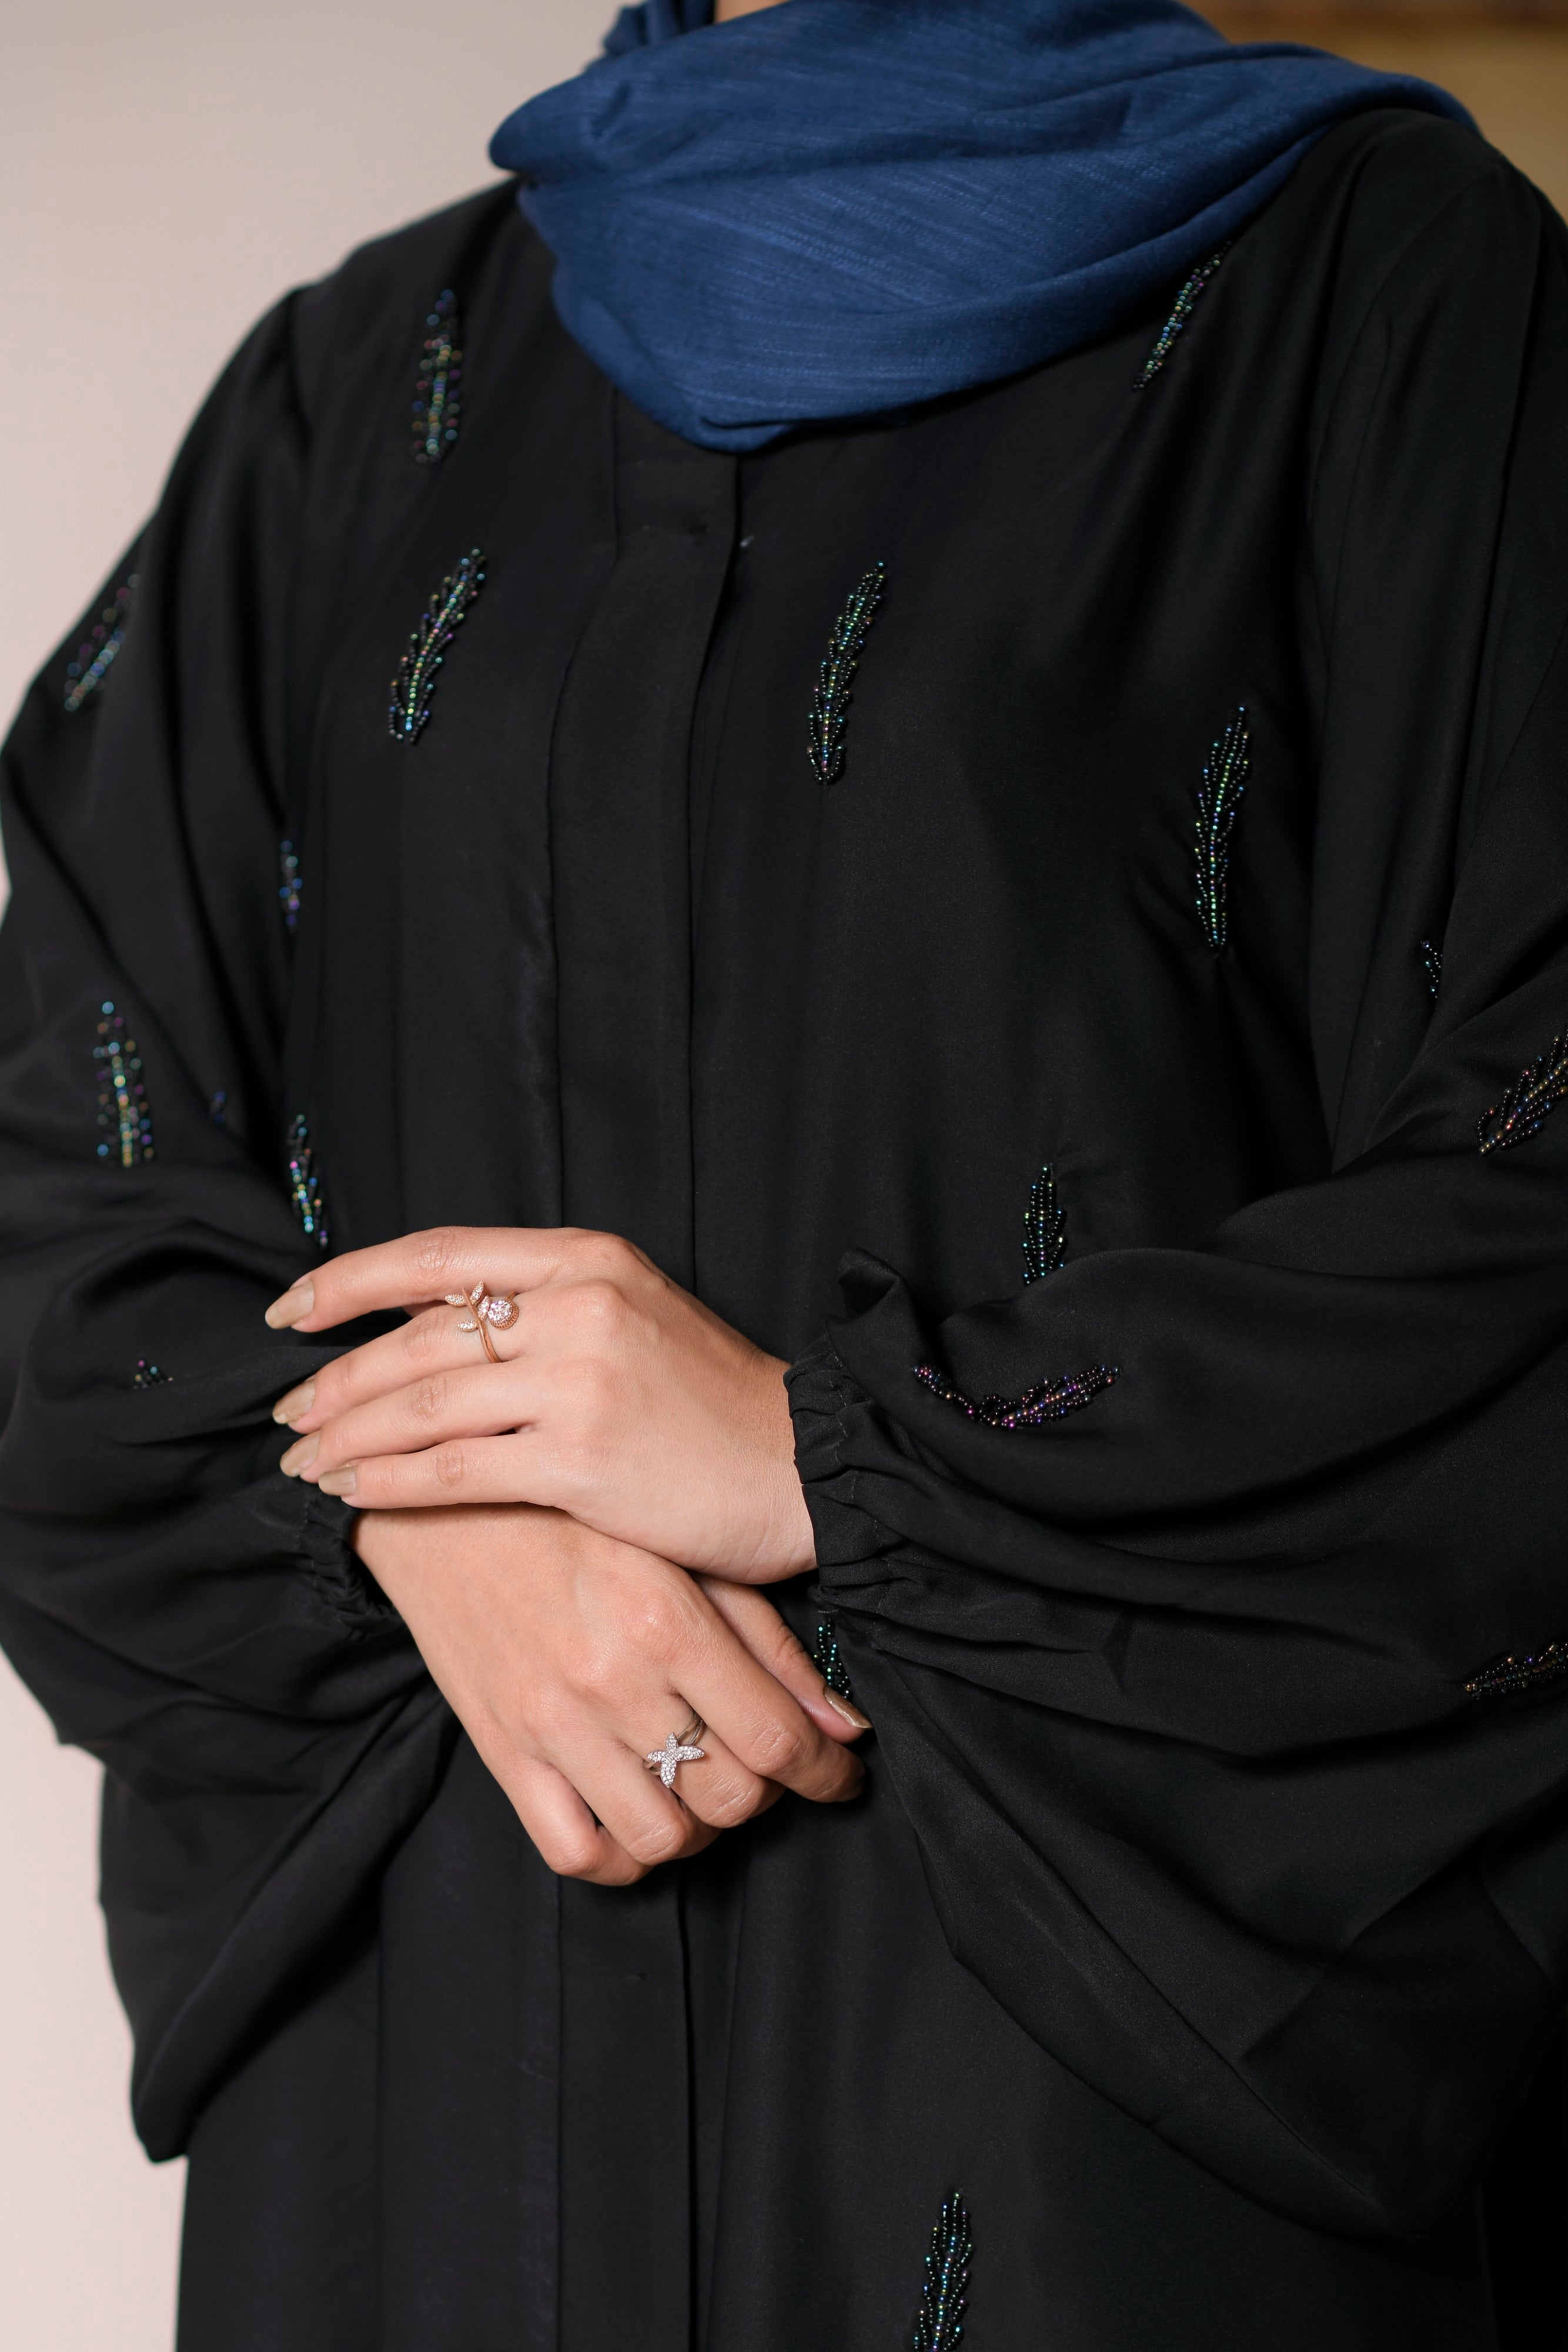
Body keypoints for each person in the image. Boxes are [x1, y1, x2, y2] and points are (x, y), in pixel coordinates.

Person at [3, 0, 1568, 2343]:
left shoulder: (1388, 293)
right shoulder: (377, 376)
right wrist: (411, 1507)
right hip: (444, 2030)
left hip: (1070, 2059)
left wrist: (832, 1453)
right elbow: (66, 1140)